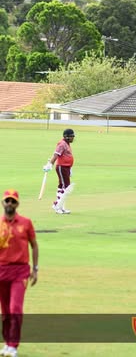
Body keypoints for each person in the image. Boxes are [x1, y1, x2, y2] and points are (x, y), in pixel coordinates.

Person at [0, 189, 39, 357]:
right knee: (6, 311)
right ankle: (7, 343)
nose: (10, 204)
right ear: (3, 203)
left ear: (17, 204)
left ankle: (13, 346)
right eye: (7, 201)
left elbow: (34, 245)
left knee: (15, 308)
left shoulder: (26, 223)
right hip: (2, 271)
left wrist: (35, 269)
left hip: (20, 272)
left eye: (13, 201)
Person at [43, 128, 75, 214]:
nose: (73, 138)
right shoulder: (62, 144)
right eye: (72, 136)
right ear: (66, 136)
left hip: (66, 168)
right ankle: (57, 205)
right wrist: (50, 165)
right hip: (62, 167)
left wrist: (70, 168)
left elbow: (67, 156)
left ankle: (61, 207)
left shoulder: (67, 144)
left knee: (62, 186)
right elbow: (56, 155)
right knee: (67, 187)